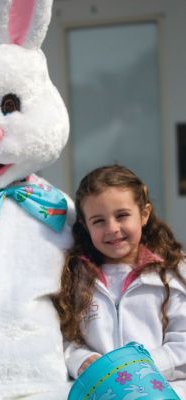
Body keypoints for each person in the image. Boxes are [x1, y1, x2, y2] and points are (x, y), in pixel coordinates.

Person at [53, 164, 186, 399]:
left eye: (122, 215)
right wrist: (80, 359)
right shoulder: (75, 276)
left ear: (144, 214)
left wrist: (136, 368)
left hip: (163, 391)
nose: (112, 228)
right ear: (85, 225)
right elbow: (61, 339)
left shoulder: (171, 273)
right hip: (99, 392)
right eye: (98, 221)